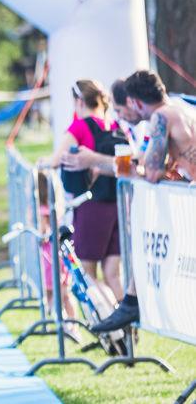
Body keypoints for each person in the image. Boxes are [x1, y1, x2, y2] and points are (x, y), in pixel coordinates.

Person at [88, 70, 196, 333]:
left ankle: (131, 302)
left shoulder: (160, 117)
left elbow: (153, 172)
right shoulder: (181, 109)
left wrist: (128, 170)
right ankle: (131, 300)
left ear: (136, 102)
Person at [52, 79, 124, 302]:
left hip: (92, 205)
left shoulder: (80, 126)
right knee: (113, 273)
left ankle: (109, 319)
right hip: (119, 204)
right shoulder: (114, 125)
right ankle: (128, 320)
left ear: (79, 102)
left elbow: (55, 160)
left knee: (87, 273)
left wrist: (40, 164)